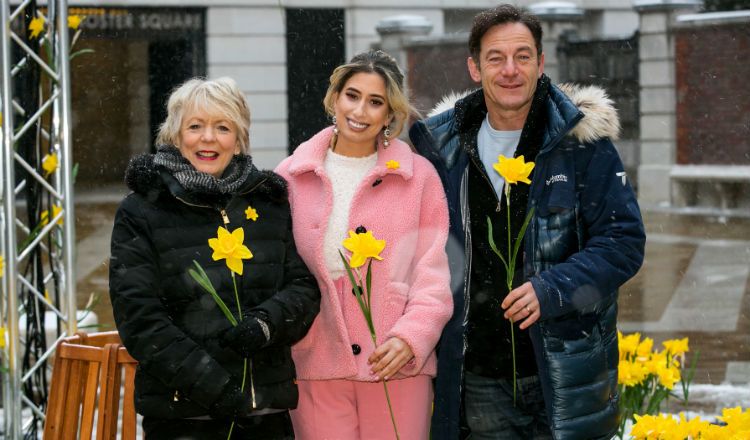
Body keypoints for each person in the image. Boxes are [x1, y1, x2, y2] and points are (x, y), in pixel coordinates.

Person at [409, 5, 646, 440]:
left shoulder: (580, 144)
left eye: (522, 56)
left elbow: (623, 241)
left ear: (541, 62)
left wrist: (553, 288)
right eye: (495, 58)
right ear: (475, 68)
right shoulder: (444, 149)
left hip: (567, 369)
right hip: (482, 377)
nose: (510, 70)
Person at [109, 77, 320, 439]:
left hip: (264, 414)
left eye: (222, 127)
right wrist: (213, 387)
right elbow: (141, 319)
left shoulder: (268, 203)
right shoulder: (142, 210)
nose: (208, 138)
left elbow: (302, 288)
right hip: (184, 417)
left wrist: (266, 323)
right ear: (176, 136)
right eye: (195, 126)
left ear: (238, 141)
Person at [275, 49, 453, 439]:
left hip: (395, 364)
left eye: (376, 102)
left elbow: (434, 272)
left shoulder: (417, 177)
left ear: (390, 115)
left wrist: (412, 336)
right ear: (334, 98)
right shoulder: (288, 177)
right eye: (352, 95)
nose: (360, 110)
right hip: (316, 363)